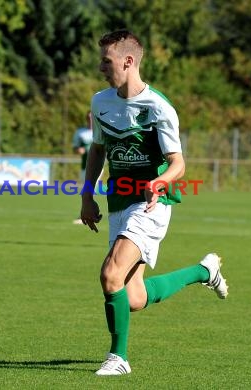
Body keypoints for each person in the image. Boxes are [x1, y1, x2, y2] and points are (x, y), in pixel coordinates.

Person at [79, 29, 229, 376]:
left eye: (106, 60)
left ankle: (118, 358)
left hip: (150, 204)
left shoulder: (158, 108)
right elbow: (98, 149)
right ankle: (204, 270)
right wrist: (87, 193)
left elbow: (178, 164)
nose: (101, 67)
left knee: (110, 274)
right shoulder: (100, 102)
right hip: (118, 200)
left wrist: (159, 181)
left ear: (128, 62)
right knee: (132, 298)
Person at [72, 111, 95, 224]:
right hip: (84, 165)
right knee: (87, 189)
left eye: (92, 117)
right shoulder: (80, 132)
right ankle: (88, 213)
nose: (90, 120)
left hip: (98, 166)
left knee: (89, 187)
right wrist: (78, 150)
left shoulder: (101, 131)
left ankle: (87, 214)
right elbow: (75, 147)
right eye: (88, 118)